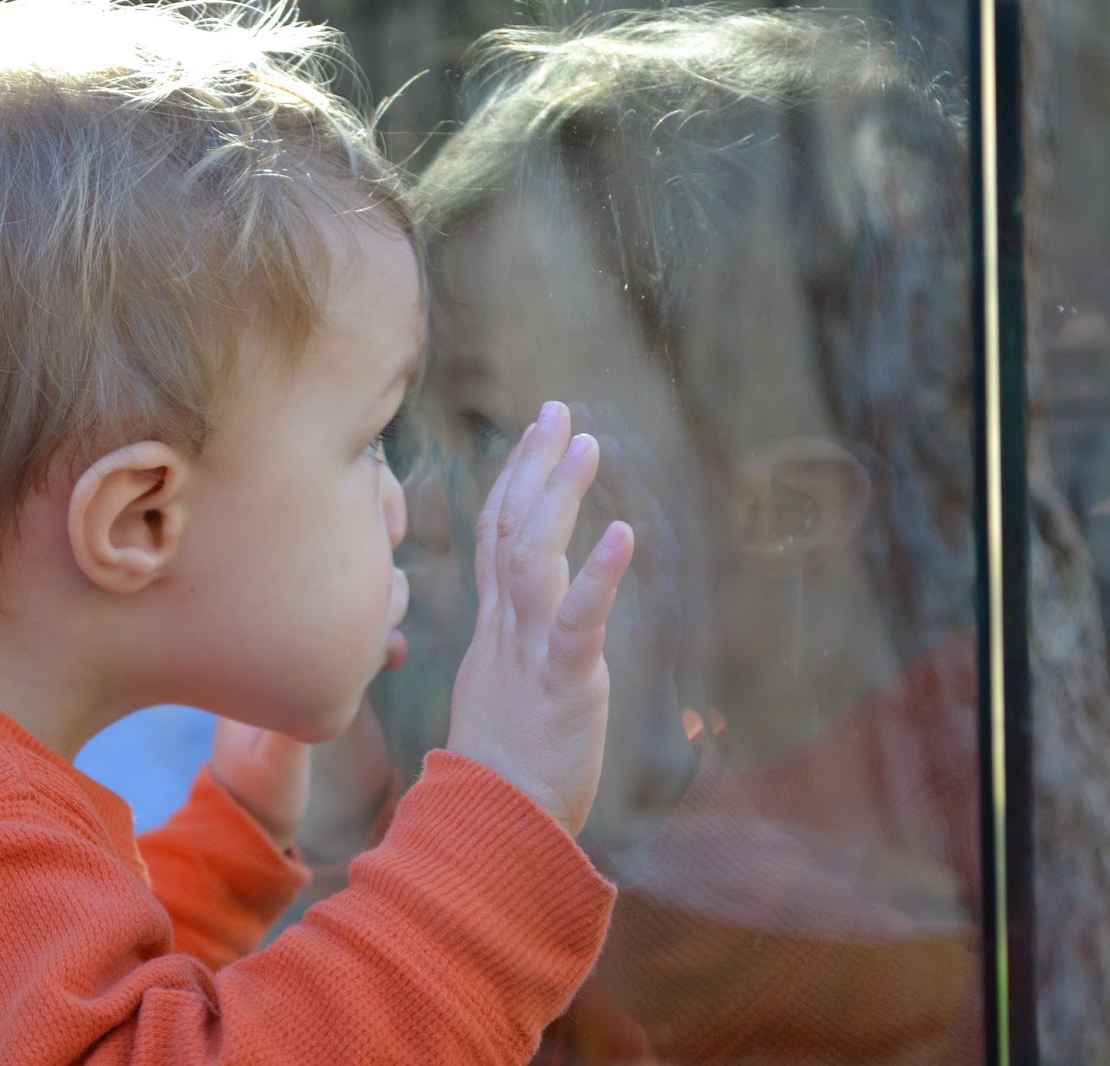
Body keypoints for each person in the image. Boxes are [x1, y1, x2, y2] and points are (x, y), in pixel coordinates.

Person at [0, 1, 641, 1061]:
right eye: (365, 442)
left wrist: (227, 845)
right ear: (139, 519)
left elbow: (43, 1017)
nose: (404, 500)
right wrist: (497, 828)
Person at [394, 10, 981, 1063]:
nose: (415, 503)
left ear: (783, 510)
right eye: (406, 428)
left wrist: (641, 803)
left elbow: (895, 1000)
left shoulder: (955, 773)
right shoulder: (480, 739)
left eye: (479, 427)